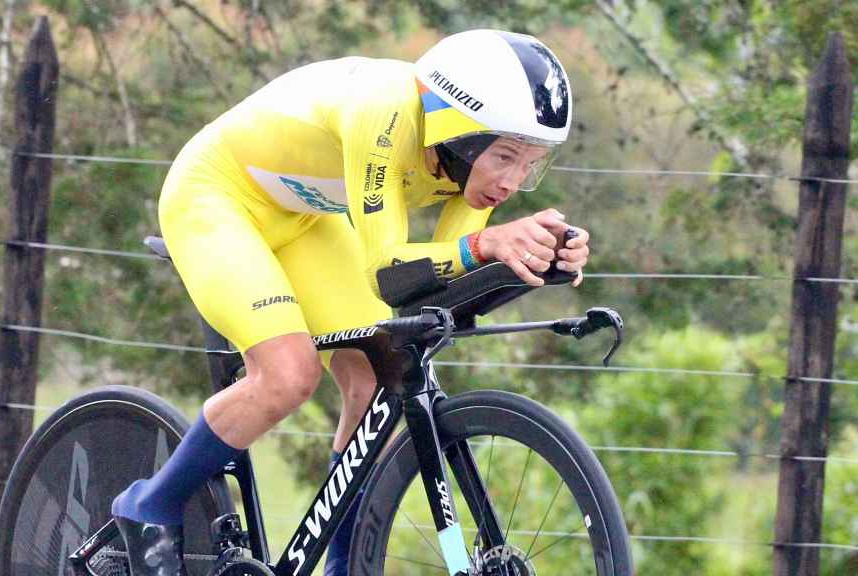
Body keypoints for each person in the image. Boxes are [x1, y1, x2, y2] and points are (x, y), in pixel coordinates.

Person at [110, 29, 591, 576]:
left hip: (306, 217)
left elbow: (437, 287)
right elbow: (386, 268)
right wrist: (488, 244)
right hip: (217, 197)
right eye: (505, 156)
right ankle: (150, 504)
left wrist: (532, 263)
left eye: (529, 164)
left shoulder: (466, 170)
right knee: (289, 375)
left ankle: (345, 566)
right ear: (459, 131)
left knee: (379, 371)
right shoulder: (387, 113)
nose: (512, 182)